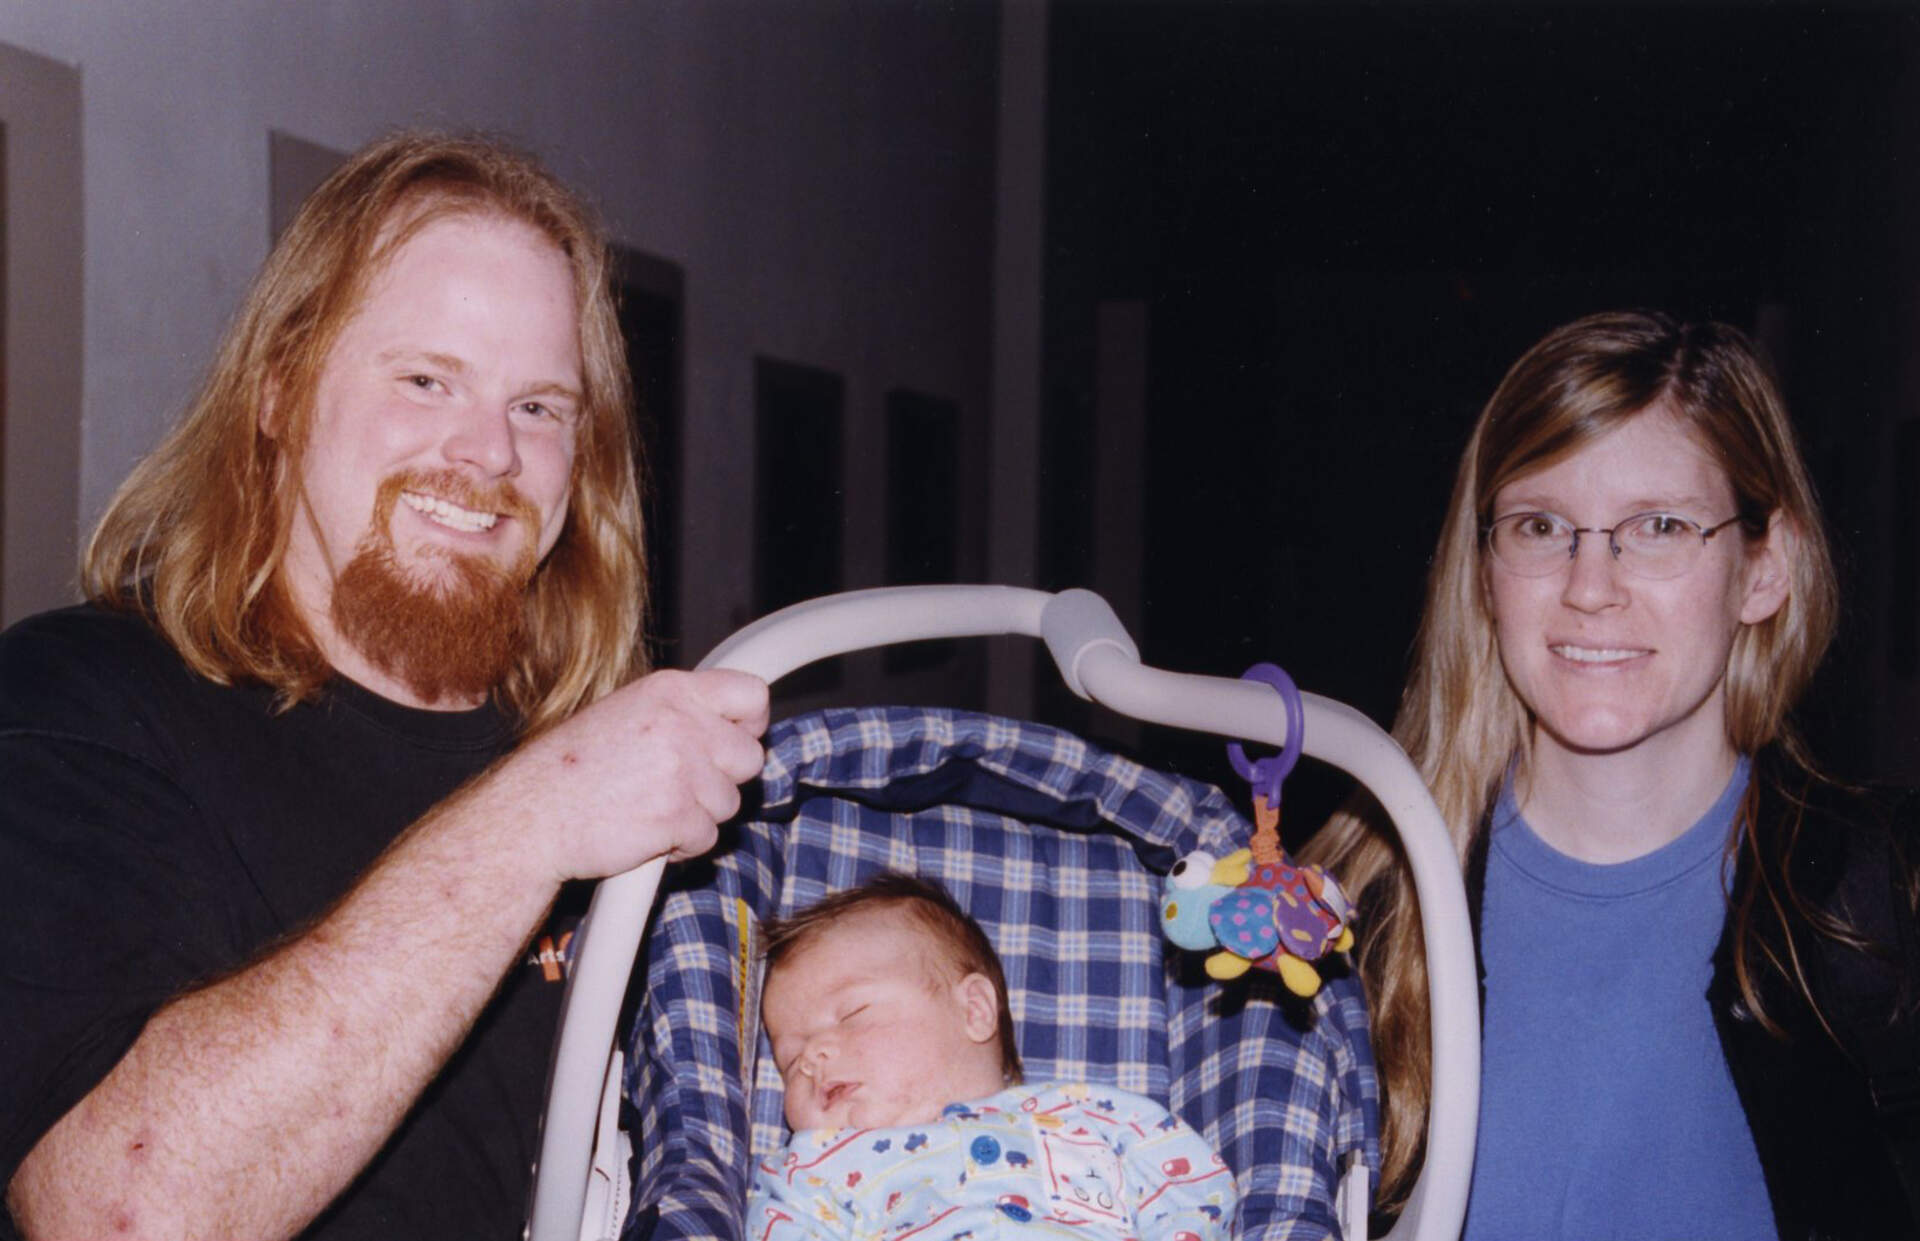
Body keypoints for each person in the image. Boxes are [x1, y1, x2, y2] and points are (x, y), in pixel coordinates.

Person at [0, 132, 770, 1241]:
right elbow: (122, 1214)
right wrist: (533, 821)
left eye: (540, 407)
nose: (489, 452)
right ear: (278, 388)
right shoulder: (77, 706)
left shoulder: (616, 757)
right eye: (425, 380)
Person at [1301, 309, 1920, 1240]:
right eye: (1540, 525)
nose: (1590, 586)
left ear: (1764, 568)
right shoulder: (1358, 916)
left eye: (1659, 525)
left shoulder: (1877, 903)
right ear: (1484, 571)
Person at [746, 874, 1239, 1241]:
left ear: (975, 1011)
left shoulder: (1091, 1116)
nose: (813, 1057)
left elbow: (1194, 1189)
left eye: (852, 1014)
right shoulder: (814, 1171)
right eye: (789, 1060)